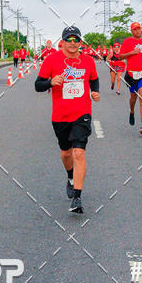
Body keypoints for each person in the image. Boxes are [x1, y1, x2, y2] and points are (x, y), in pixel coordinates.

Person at [34, 25, 100, 214]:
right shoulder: (52, 60)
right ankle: (70, 176)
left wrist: (95, 91)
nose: (72, 44)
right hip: (61, 115)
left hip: (82, 113)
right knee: (66, 153)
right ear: (62, 42)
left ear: (80, 42)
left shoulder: (87, 61)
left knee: (79, 153)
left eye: (76, 40)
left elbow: (93, 79)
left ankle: (77, 197)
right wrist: (50, 82)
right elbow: (38, 85)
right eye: (68, 40)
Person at [117, 21, 142, 135]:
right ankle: (132, 111)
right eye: (135, 29)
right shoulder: (128, 41)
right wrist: (133, 52)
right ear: (132, 31)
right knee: (133, 97)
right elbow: (120, 56)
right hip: (132, 74)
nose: (138, 31)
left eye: (139, 29)